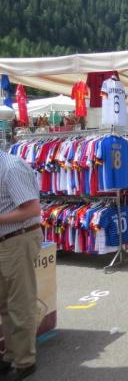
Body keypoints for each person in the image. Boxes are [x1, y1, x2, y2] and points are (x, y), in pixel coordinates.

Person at [0, 150, 43, 381]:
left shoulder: (11, 167)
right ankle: (11, 355)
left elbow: (32, 209)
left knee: (20, 304)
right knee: (6, 304)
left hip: (18, 239)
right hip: (8, 240)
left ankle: (24, 361)